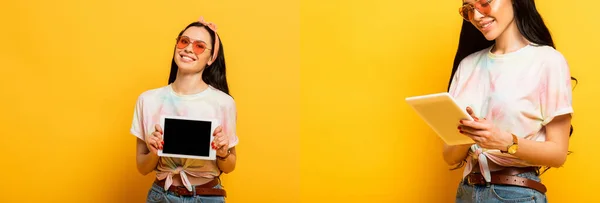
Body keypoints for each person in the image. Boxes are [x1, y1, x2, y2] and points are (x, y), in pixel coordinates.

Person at [444, 0, 576, 202]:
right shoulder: (468, 65)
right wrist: (471, 134)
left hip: (517, 193)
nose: (477, 16)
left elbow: (558, 154)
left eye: (484, 3)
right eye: (469, 10)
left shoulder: (548, 61)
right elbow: (449, 156)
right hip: (467, 192)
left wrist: (507, 142)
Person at [130, 16, 238, 203]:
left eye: (199, 46)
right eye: (184, 41)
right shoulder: (148, 100)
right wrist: (154, 151)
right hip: (162, 196)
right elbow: (142, 167)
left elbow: (229, 166)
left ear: (211, 57)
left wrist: (222, 152)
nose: (188, 48)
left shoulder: (223, 103)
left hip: (207, 197)